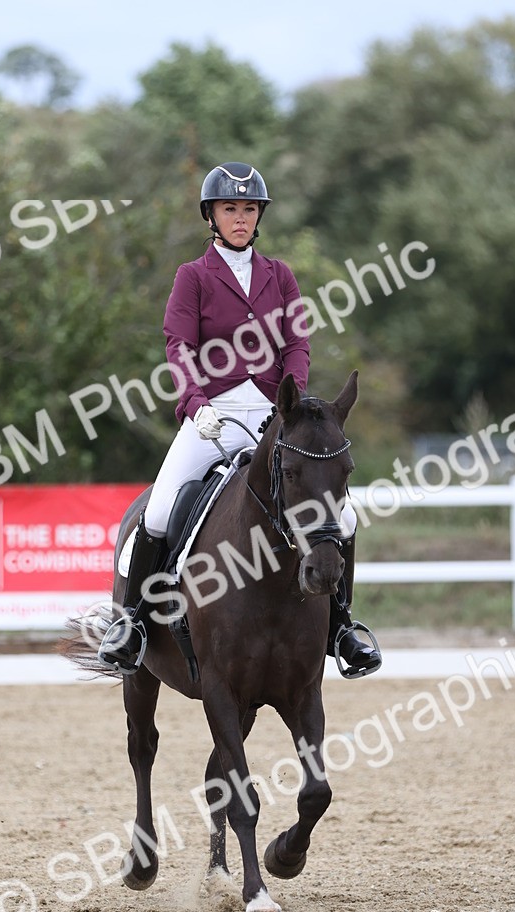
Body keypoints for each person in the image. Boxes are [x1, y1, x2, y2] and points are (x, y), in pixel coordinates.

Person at [99, 161, 381, 678]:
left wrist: (291, 403)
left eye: (249, 209)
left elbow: (296, 342)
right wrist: (195, 404)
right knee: (159, 512)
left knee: (344, 517)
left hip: (275, 418)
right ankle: (133, 623)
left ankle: (342, 625)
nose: (240, 218)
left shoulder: (281, 275)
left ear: (258, 216)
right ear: (212, 215)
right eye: (231, 208)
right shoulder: (194, 276)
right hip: (213, 415)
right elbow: (179, 346)